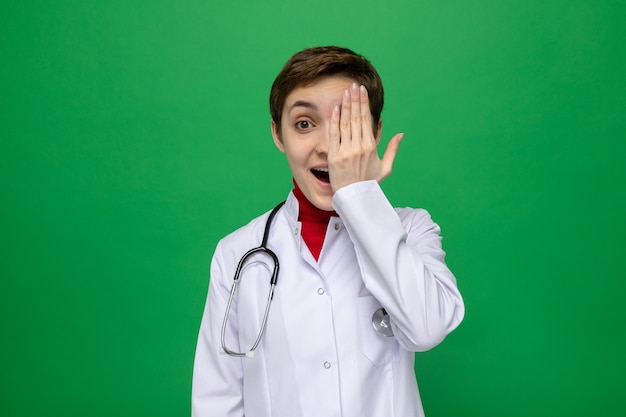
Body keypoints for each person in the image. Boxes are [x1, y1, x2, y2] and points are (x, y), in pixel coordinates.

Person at [192, 46, 465, 417]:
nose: (326, 148)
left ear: (375, 131)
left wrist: (360, 198)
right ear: (278, 134)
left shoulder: (411, 229)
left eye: (346, 125)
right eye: (304, 124)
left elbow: (427, 328)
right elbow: (217, 400)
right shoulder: (238, 253)